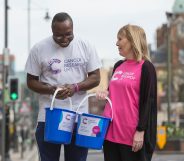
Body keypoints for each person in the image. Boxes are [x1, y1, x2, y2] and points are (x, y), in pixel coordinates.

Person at [25, 12, 101, 161]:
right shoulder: (39, 49)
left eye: (68, 34)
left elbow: (96, 77)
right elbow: (31, 81)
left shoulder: (86, 45)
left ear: (73, 29)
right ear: (52, 31)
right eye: (59, 36)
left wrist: (75, 87)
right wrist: (52, 90)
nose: (65, 40)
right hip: (49, 116)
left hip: (78, 116)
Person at [96, 24, 157, 161]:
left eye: (120, 39)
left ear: (132, 40)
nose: (116, 43)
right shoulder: (118, 65)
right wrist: (104, 94)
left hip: (132, 134)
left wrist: (140, 131)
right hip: (110, 132)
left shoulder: (146, 67)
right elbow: (113, 93)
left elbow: (149, 102)